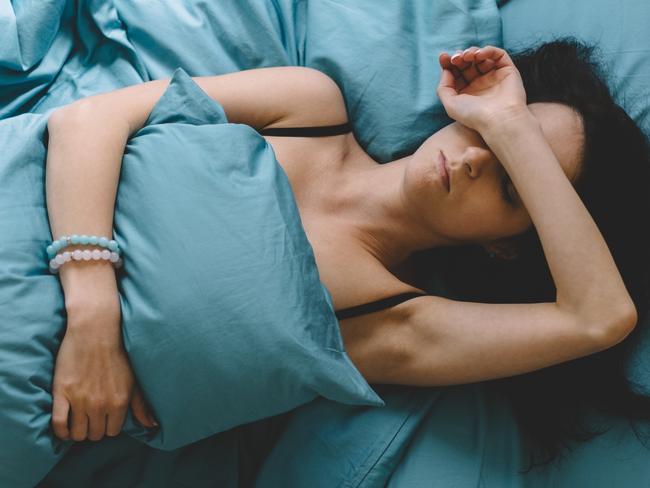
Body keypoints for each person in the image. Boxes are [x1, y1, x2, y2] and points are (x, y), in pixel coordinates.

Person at [44, 38, 650, 471]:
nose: (474, 159)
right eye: (485, 133)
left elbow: (597, 318)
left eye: (512, 183)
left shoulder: (396, 323)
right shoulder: (309, 106)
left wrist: (516, 128)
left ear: (504, 247)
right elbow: (90, 119)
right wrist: (93, 310)